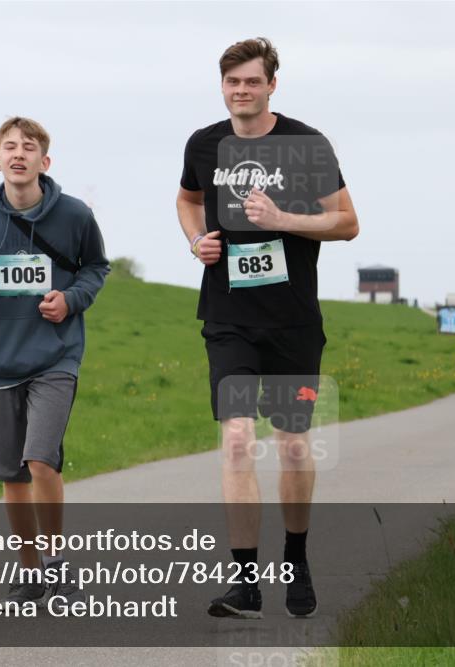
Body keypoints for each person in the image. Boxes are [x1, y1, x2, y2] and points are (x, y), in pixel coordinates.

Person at [176, 38, 359, 619]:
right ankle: (245, 583)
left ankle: (297, 560)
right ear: (222, 86)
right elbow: (187, 199)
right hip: (228, 317)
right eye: (231, 82)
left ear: (272, 84)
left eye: (252, 81)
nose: (241, 91)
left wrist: (285, 220)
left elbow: (349, 222)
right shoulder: (204, 144)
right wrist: (194, 240)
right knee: (235, 439)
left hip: (292, 322)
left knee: (294, 445)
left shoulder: (306, 145)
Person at [0, 117, 109, 607]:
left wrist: (71, 300)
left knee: (39, 458)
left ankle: (56, 560)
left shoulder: (74, 215)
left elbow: (97, 268)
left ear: (44, 161)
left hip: (56, 357)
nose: (19, 154)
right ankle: (29, 570)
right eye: (9, 147)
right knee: (13, 475)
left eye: (29, 148)